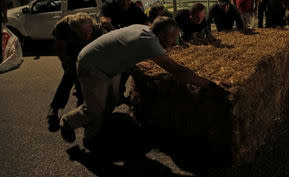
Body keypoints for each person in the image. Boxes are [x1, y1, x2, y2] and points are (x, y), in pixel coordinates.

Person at [59, 17, 217, 148]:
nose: (174, 42)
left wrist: (135, 61)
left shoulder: (144, 30)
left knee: (112, 100)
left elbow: (124, 45)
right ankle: (70, 125)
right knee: (95, 108)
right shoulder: (149, 42)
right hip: (92, 65)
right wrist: (209, 84)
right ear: (161, 34)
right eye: (172, 38)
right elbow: (177, 70)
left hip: (106, 63)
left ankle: (97, 129)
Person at [47, 13, 104, 132]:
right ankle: (54, 109)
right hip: (70, 53)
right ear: (74, 31)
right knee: (69, 77)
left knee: (88, 81)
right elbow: (61, 49)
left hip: (89, 53)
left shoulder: (97, 29)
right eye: (81, 34)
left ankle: (83, 106)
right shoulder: (62, 27)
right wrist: (67, 64)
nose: (86, 36)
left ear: (91, 27)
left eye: (88, 32)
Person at [99, 0, 149, 99]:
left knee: (128, 70)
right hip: (111, 43)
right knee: (114, 74)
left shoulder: (133, 7)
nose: (126, 3)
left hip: (127, 42)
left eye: (128, 0)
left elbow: (145, 22)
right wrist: (108, 24)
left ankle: (120, 95)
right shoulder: (108, 6)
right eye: (122, 0)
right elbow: (103, 19)